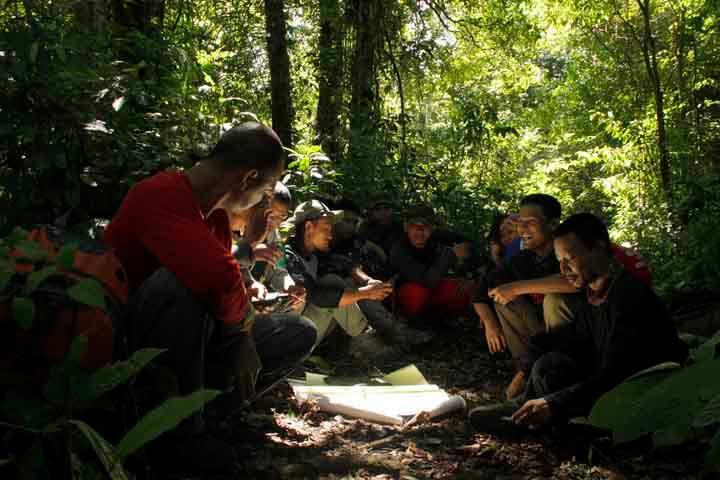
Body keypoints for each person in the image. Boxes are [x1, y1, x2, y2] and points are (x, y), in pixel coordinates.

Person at [104, 123, 317, 474]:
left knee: (298, 331)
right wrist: (242, 334)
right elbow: (215, 278)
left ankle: (211, 413)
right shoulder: (159, 193)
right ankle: (178, 435)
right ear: (248, 178)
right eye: (265, 189)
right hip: (132, 352)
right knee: (180, 283)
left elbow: (227, 284)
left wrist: (243, 333)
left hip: (193, 348)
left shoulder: (215, 218)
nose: (264, 200)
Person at [469, 213, 688, 431]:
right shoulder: (594, 294)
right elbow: (570, 340)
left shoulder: (629, 298)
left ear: (599, 248)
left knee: (562, 384)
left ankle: (534, 421)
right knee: (549, 364)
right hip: (607, 379)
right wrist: (525, 370)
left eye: (570, 258)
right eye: (559, 261)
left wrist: (552, 404)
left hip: (640, 392)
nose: (563, 269)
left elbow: (615, 374)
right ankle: (522, 410)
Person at [284, 199, 424, 357]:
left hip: (308, 327)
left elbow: (346, 265)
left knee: (342, 282)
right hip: (289, 339)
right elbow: (317, 296)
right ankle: (366, 341)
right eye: (326, 229)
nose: (330, 235)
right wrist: (365, 293)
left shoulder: (315, 252)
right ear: (309, 227)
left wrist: (367, 282)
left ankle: (382, 335)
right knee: (332, 285)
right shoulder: (289, 256)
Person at [389, 204, 475, 325]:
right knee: (417, 293)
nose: (420, 230)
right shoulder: (399, 250)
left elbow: (469, 242)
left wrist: (469, 274)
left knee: (466, 288)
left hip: (434, 288)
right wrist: (451, 255)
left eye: (425, 225)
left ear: (432, 228)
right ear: (406, 227)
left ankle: (445, 319)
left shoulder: (436, 237)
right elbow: (426, 281)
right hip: (409, 292)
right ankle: (414, 322)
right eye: (414, 225)